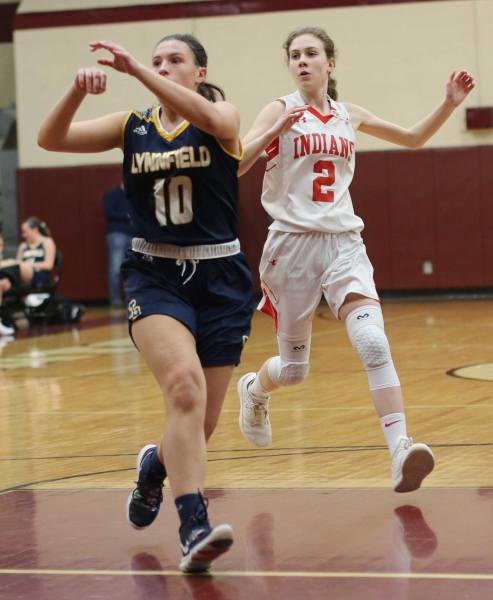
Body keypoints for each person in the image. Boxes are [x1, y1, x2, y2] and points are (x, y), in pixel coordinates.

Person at [38, 33, 254, 572]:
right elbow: (50, 138)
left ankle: (155, 466)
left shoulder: (222, 117)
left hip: (221, 275)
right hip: (154, 273)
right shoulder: (130, 126)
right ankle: (193, 525)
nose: (162, 67)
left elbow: (218, 119)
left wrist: (136, 69)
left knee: (200, 424)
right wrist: (75, 91)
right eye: (157, 61)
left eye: (175, 61)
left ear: (199, 72)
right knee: (183, 387)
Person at [237, 26, 475, 493]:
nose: (302, 61)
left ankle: (400, 449)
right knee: (294, 371)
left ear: (330, 62)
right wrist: (271, 132)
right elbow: (237, 163)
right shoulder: (279, 109)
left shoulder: (350, 115)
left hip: (344, 241)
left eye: (311, 53)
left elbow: (412, 139)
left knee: (372, 342)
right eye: (294, 55)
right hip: (291, 246)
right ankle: (255, 389)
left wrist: (449, 103)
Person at [0, 217, 56, 335]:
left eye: (25, 231)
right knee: (5, 280)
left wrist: (27, 265)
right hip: (20, 275)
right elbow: (15, 268)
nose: (23, 235)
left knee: (14, 264)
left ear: (34, 230)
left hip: (38, 275)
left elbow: (49, 265)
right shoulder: (23, 246)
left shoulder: (47, 242)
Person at [102, 183, 133, 307]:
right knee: (115, 269)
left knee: (132, 269)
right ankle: (115, 300)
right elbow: (108, 212)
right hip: (117, 234)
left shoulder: (134, 195)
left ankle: (131, 300)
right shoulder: (112, 195)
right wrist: (127, 216)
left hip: (133, 234)